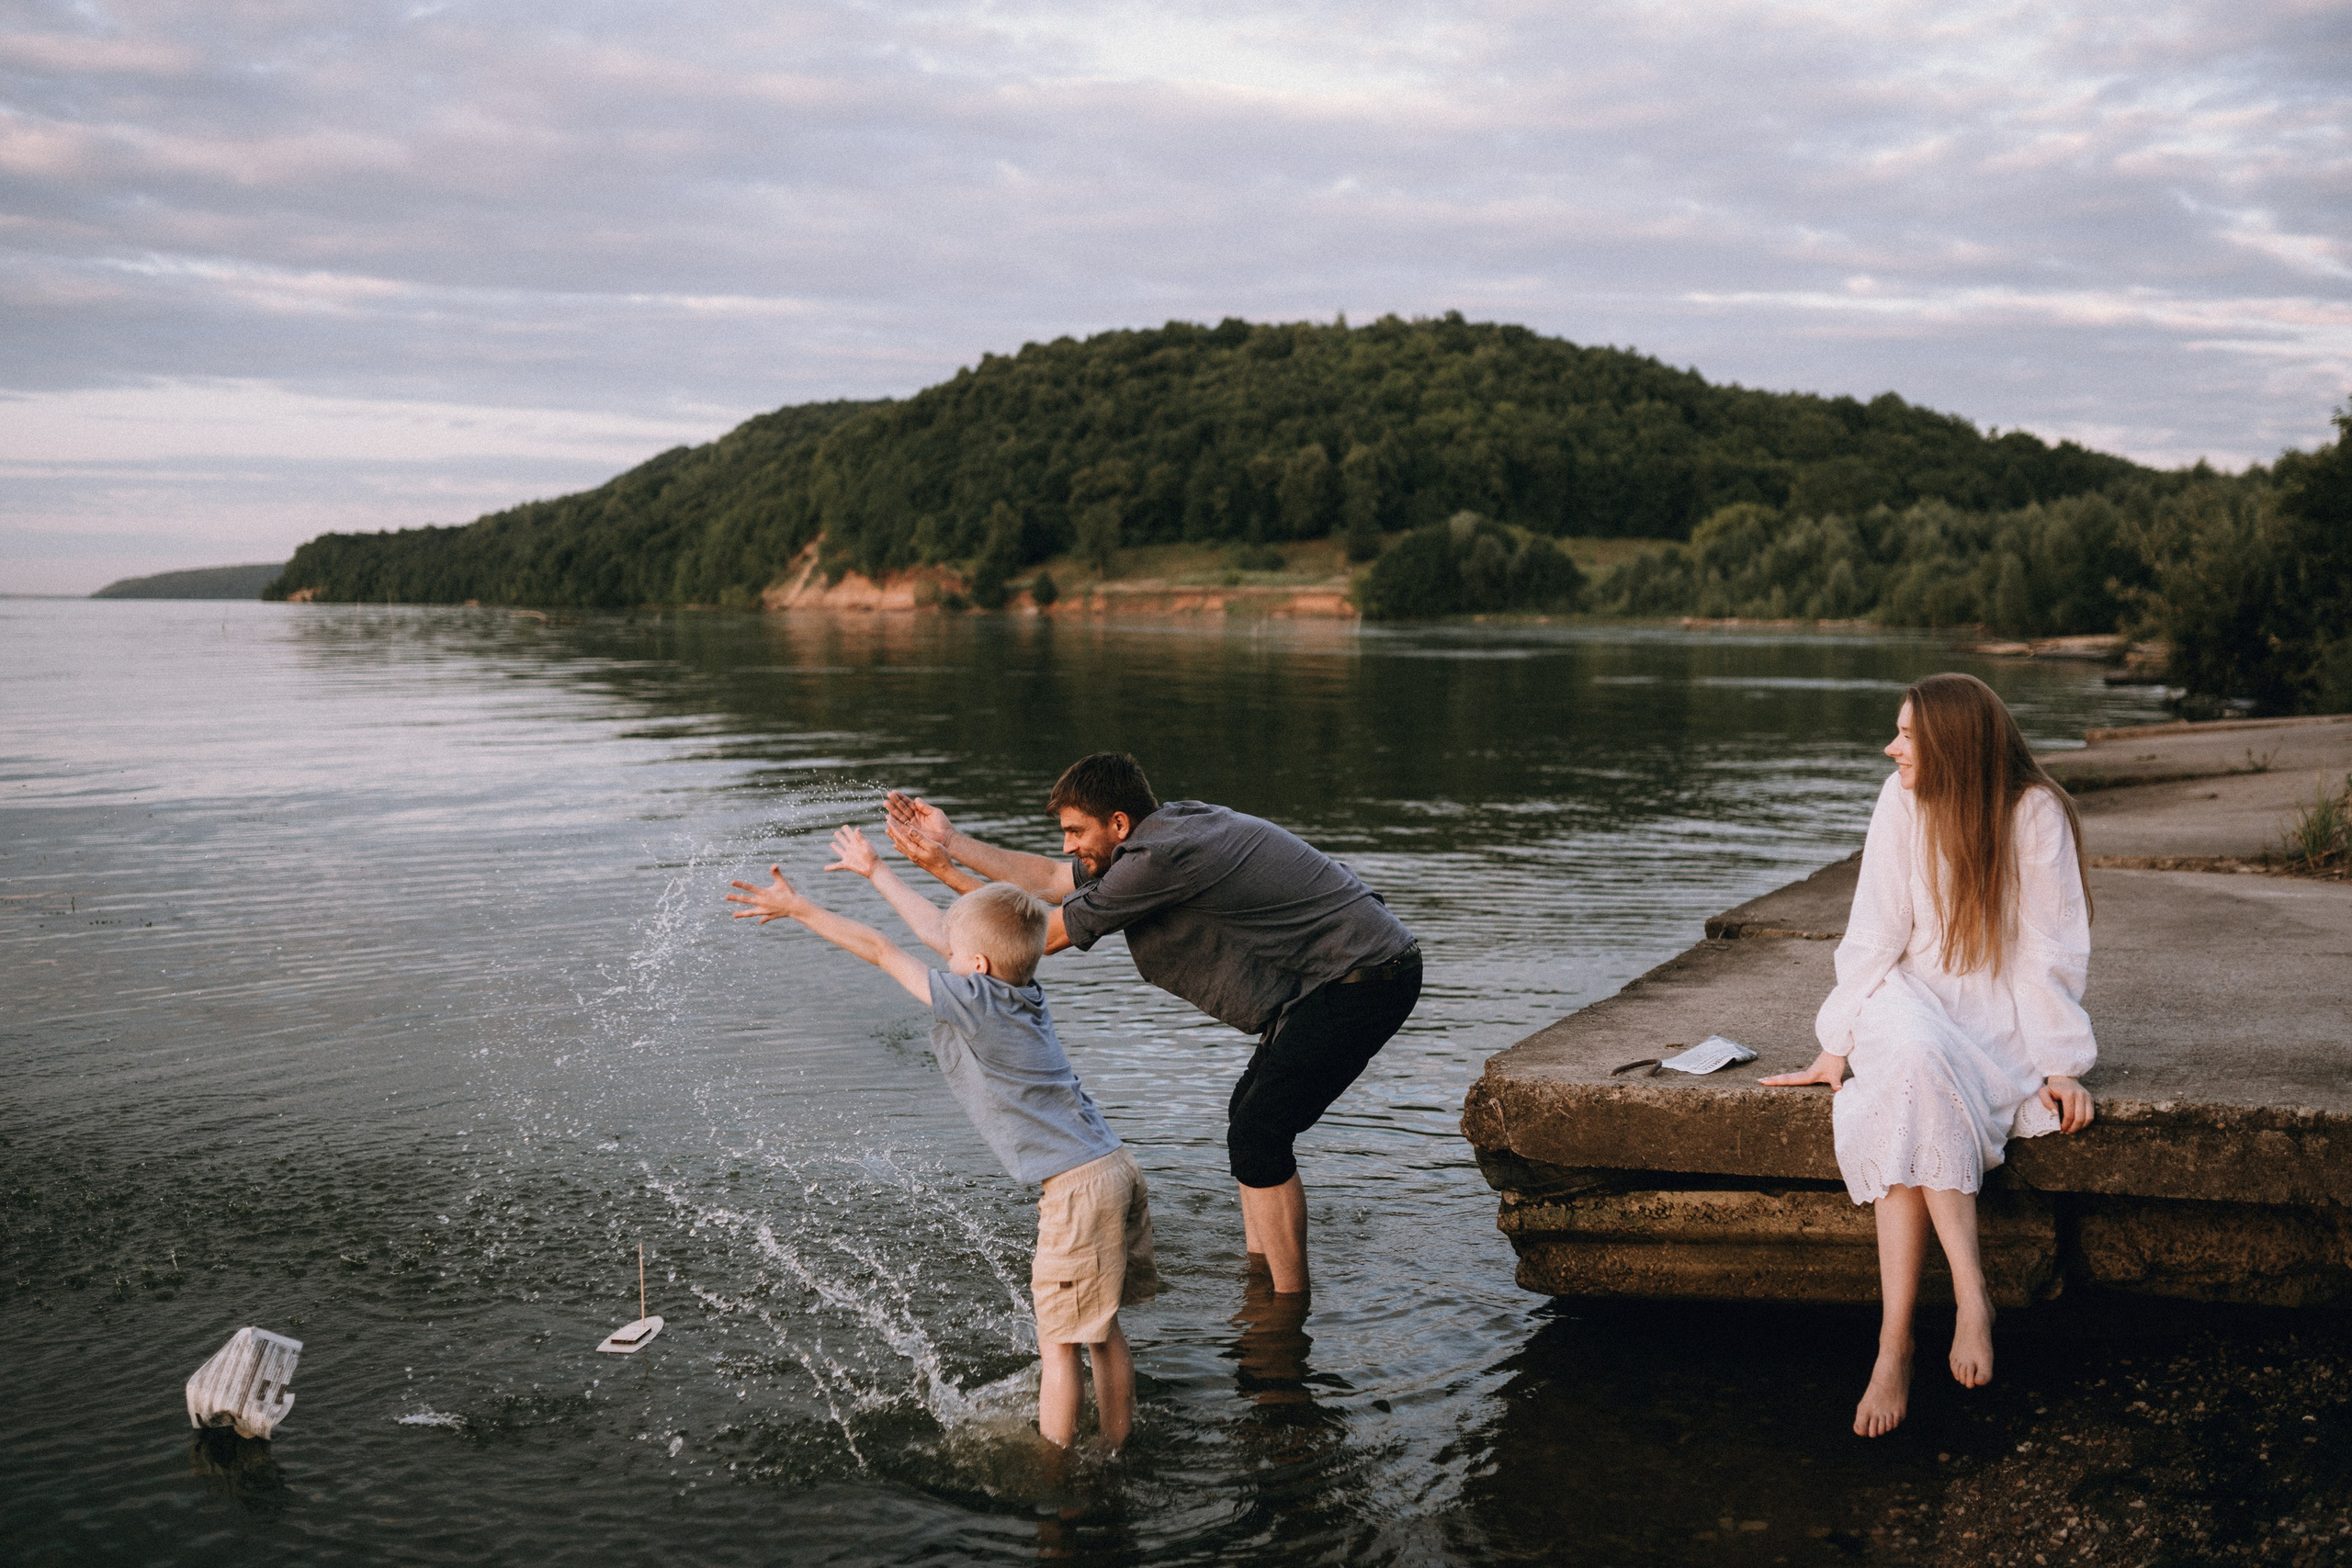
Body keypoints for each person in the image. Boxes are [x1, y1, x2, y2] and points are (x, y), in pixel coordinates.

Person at [881, 753, 1420, 1295]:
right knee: (1250, 1121)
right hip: (1345, 972)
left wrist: (940, 871)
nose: (1068, 845)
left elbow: (1036, 935)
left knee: (1261, 1131)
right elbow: (1048, 878)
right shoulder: (1160, 832)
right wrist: (952, 840)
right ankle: (1261, 1275)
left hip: (1366, 979)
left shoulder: (1162, 858)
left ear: (1118, 823)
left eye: (1075, 831)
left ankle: (1286, 1302)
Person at [726, 825, 1159, 1455]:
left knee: (1057, 1343)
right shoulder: (1018, 988)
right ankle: (1118, 1444)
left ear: (975, 969)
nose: (944, 958)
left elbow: (879, 948)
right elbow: (943, 931)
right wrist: (876, 871)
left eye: (956, 957)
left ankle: (1056, 1469)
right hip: (1115, 1166)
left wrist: (799, 908)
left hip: (1075, 1189)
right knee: (1100, 1329)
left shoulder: (976, 1000)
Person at [1761, 673, 2098, 1438]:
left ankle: (1902, 1335)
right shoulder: (1900, 797)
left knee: (1915, 1085)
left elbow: (2049, 950)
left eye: (1907, 734)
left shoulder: (2033, 811)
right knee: (1910, 1058)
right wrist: (1838, 1038)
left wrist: (2061, 1061)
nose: (1893, 747)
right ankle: (1947, 1308)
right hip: (1905, 993)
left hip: (1995, 1009)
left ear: (1954, 741)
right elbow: (1876, 930)